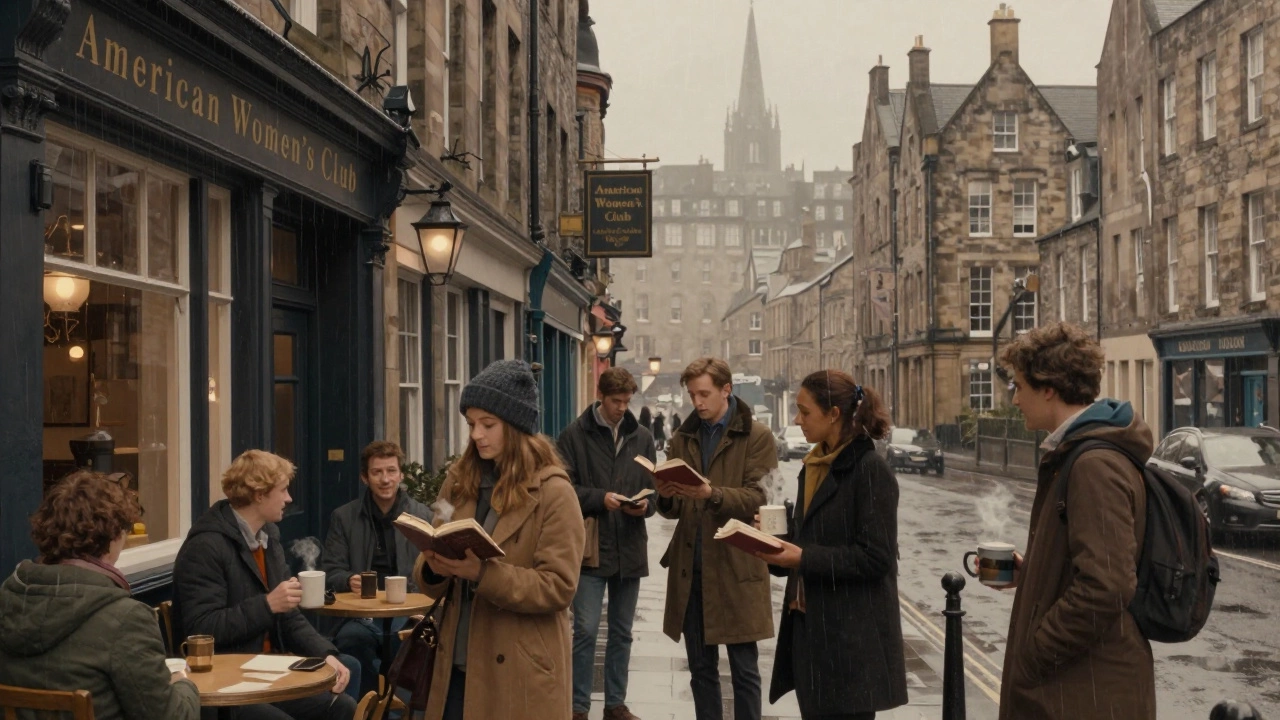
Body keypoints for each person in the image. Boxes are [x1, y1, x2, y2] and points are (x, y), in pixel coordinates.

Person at [993, 322, 1155, 719]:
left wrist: (1036, 653)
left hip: (1085, 692)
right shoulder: (1077, 453)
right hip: (1078, 686)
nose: (1014, 400)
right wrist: (1033, 573)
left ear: (1047, 387)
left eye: (1018, 386)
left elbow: (1107, 585)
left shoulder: (1093, 464)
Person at [412, 359, 585, 720]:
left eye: (488, 425)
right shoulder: (456, 483)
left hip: (517, 674)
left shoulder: (554, 492)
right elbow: (433, 540)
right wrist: (433, 565)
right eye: (472, 424)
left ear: (516, 427)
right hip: (454, 669)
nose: (476, 435)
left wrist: (482, 574)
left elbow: (558, 586)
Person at [756, 371, 907, 720]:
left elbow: (876, 558)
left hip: (850, 643)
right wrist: (770, 545)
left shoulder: (870, 470)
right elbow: (803, 546)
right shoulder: (813, 466)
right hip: (811, 635)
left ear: (834, 414)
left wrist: (803, 557)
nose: (797, 420)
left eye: (804, 411)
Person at [173, 450, 358, 720]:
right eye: (283, 490)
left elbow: (289, 614)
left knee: (343, 702)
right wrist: (267, 604)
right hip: (227, 681)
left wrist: (325, 653)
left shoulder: (267, 535)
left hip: (268, 669)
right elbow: (201, 629)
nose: (289, 498)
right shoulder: (206, 547)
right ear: (259, 495)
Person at [0, 471, 200, 720]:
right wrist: (185, 684)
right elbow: (171, 716)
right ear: (114, 536)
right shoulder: (126, 620)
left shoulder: (9, 600)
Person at [654, 357, 775, 720]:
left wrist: (713, 494)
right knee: (701, 671)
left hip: (736, 563)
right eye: (692, 395)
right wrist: (663, 492)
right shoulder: (682, 436)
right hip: (691, 568)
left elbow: (760, 496)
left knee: (744, 672)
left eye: (704, 394)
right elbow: (674, 509)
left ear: (727, 389)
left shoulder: (757, 436)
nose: (698, 402)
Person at [557, 368, 657, 720]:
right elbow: (562, 491)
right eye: (616, 401)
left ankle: (615, 703)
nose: (621, 408)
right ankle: (578, 706)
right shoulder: (573, 435)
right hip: (591, 546)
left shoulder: (642, 436)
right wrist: (603, 498)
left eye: (627, 402)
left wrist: (647, 506)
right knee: (584, 630)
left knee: (622, 632)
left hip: (629, 545)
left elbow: (654, 489)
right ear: (601, 396)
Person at [322, 440, 434, 697]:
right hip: (363, 614)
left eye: (391, 471)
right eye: (377, 472)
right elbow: (331, 571)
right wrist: (349, 580)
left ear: (401, 474)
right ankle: (365, 709)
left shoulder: (422, 516)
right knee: (351, 641)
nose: (385, 479)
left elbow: (436, 572)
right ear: (365, 477)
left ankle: (401, 714)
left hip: (408, 612)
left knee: (410, 644)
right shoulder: (344, 517)